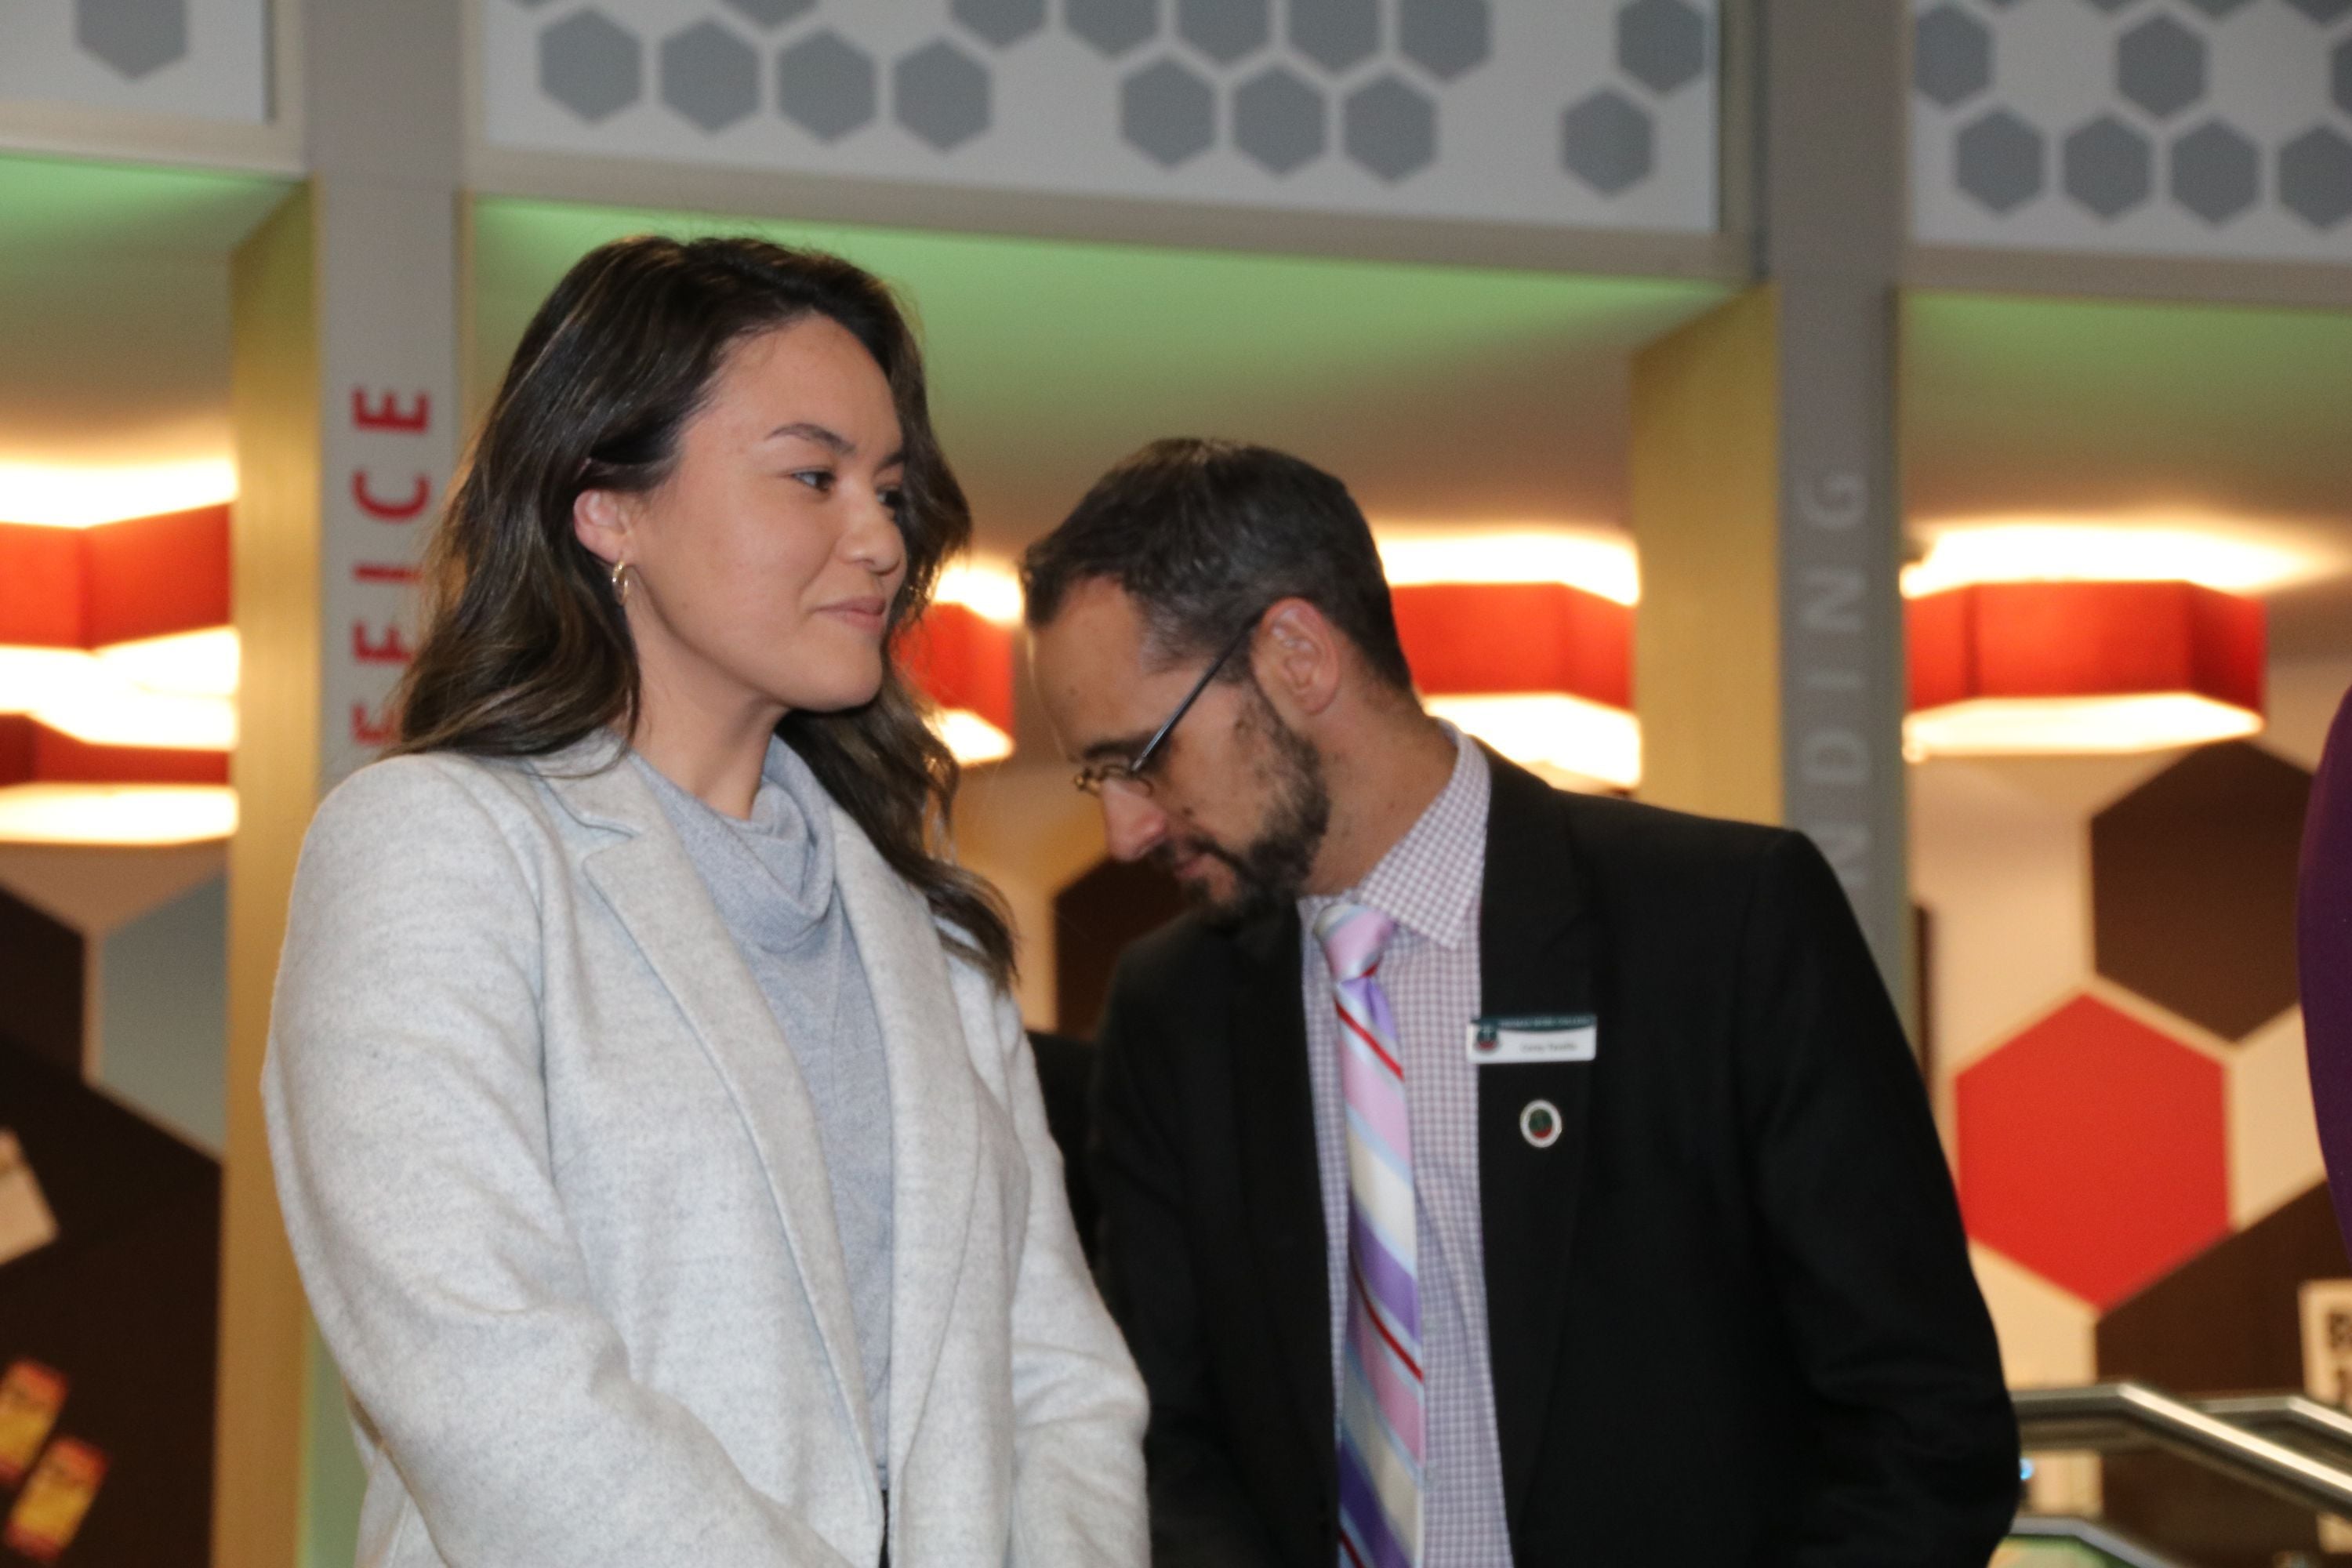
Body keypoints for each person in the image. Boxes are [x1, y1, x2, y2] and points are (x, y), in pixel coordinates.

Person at [263, 236, 1147, 1568]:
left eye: (889, 490)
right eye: (813, 477)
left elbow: (1061, 1381)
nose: (880, 539)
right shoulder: (437, 846)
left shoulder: (931, 932)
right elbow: (487, 1380)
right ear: (608, 508)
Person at [1022, 438, 2019, 1567]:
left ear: (1298, 658)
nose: (1126, 830)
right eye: (1100, 779)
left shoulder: (1721, 925)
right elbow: (1167, 1443)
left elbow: (1927, 1425)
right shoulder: (1176, 1011)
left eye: (1144, 758)